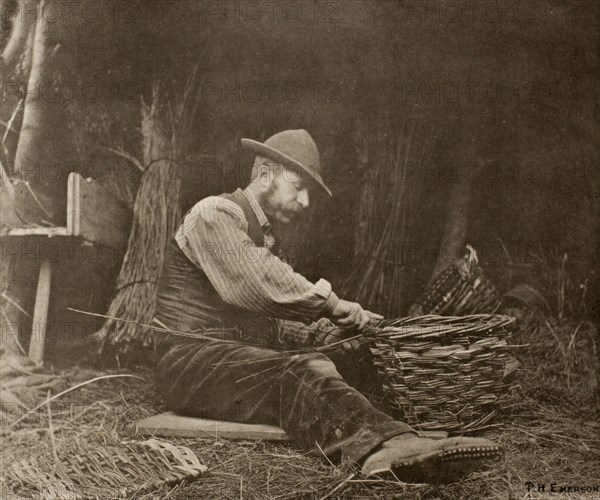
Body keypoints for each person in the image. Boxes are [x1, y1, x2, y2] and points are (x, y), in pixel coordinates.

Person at [151, 129, 503, 482]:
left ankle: (407, 433)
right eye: (298, 186)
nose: (305, 201)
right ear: (264, 173)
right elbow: (259, 283)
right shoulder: (212, 214)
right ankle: (381, 450)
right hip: (190, 365)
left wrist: (328, 332)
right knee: (300, 369)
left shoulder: (260, 235)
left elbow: (268, 321)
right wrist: (331, 304)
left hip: (228, 359)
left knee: (346, 356)